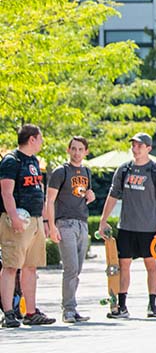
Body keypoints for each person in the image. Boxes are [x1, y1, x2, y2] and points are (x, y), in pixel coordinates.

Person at [97, 132, 156, 319]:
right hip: (127, 227)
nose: (135, 148)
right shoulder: (124, 170)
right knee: (124, 265)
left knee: (151, 266)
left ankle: (152, 305)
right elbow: (113, 196)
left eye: (139, 145)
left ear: (148, 148)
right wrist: (103, 220)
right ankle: (122, 306)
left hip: (149, 228)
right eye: (134, 145)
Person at [0, 124, 55, 327]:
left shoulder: (33, 161)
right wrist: (13, 216)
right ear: (32, 139)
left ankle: (30, 312)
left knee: (30, 267)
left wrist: (46, 220)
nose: (41, 142)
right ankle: (8, 313)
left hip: (35, 219)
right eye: (40, 138)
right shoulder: (11, 160)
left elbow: (38, 192)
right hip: (17, 220)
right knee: (11, 266)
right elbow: (6, 192)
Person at [45, 136, 97, 323]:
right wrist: (51, 226)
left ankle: (72, 308)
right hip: (64, 223)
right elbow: (50, 200)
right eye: (73, 148)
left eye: (80, 149)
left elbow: (86, 194)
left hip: (82, 223)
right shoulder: (61, 172)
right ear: (68, 150)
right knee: (70, 268)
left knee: (77, 270)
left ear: (86, 152)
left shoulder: (87, 172)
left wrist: (90, 195)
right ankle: (68, 310)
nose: (76, 152)